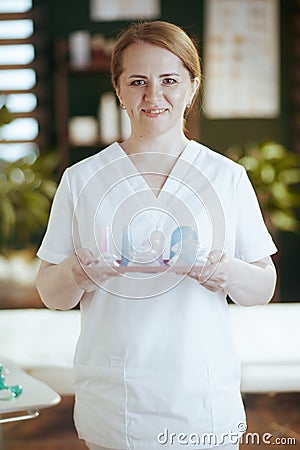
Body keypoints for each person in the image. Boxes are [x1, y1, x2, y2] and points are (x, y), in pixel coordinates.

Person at [36, 20, 277, 450]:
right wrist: (78, 273)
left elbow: (262, 287)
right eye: (138, 81)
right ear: (117, 88)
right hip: (116, 402)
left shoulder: (227, 177)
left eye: (169, 80)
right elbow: (52, 294)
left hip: (201, 401)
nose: (154, 96)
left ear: (192, 86)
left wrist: (225, 271)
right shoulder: (82, 179)